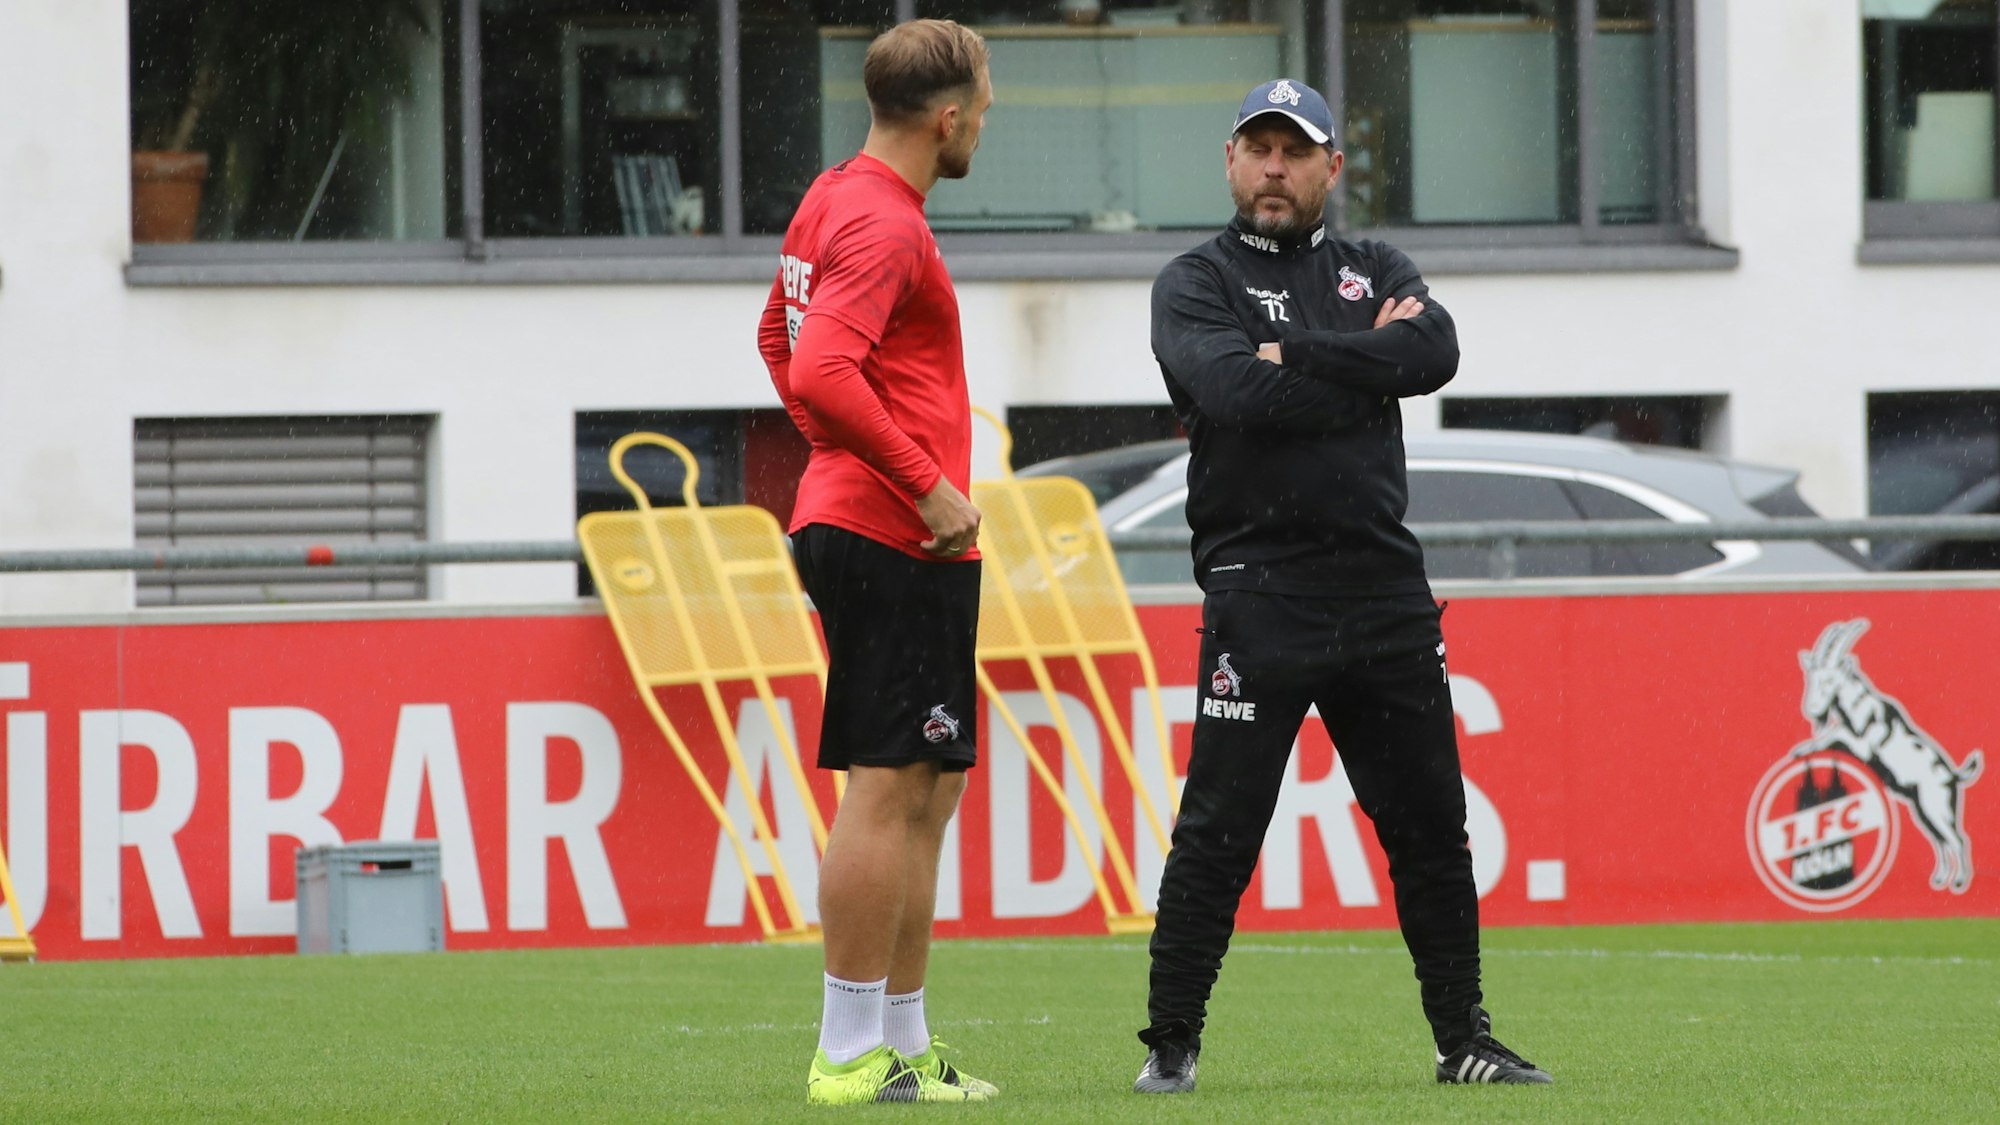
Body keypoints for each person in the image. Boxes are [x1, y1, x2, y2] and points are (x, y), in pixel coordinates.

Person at [1132, 78, 1552, 1093]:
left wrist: (1304, 353)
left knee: (1429, 826)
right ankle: (1171, 1046)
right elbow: (1231, 389)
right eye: (1258, 148)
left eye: (1294, 151)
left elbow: (1434, 351)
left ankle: (1463, 1039)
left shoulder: (1376, 266)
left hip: (1383, 593)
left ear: (1332, 167)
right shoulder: (1195, 280)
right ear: (1230, 162)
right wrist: (1367, 367)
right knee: (1219, 829)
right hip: (1259, 591)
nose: (1274, 168)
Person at [756, 18, 997, 1108]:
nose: (982, 127)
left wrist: (838, 456)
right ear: (947, 118)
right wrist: (916, 479)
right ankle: (847, 1049)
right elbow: (819, 366)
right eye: (981, 111)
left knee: (926, 787)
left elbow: (778, 340)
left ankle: (900, 1041)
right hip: (893, 530)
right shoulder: (886, 222)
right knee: (886, 783)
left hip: (882, 525)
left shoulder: (831, 196)